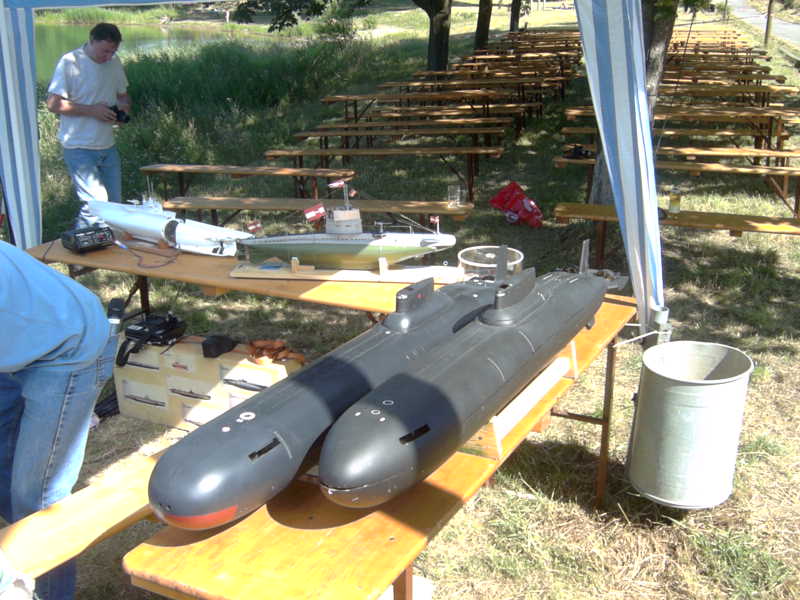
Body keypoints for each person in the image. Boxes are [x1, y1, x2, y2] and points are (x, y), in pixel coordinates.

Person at [0, 240, 117, 600]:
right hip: (24, 337)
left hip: (70, 349)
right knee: (6, 472)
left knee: (37, 501)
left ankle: (48, 595)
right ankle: (17, 557)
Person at [46, 23, 131, 226]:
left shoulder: (114, 62)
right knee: (96, 205)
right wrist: (92, 111)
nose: (108, 57)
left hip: (107, 145)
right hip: (79, 146)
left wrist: (123, 112)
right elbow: (53, 104)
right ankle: (81, 243)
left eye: (112, 51)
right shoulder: (70, 62)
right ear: (91, 41)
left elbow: (123, 96)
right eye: (104, 51)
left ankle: (95, 242)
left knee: (114, 205)